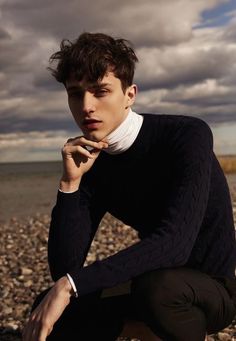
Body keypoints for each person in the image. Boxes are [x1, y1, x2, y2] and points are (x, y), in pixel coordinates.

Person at [23, 32, 236, 341]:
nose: (86, 106)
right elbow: (65, 268)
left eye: (100, 91)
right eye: (75, 93)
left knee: (158, 289)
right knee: (47, 307)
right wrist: (71, 183)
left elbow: (175, 244)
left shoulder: (187, 135)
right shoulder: (92, 162)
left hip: (209, 291)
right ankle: (143, 330)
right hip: (149, 281)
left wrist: (70, 284)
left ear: (130, 94)